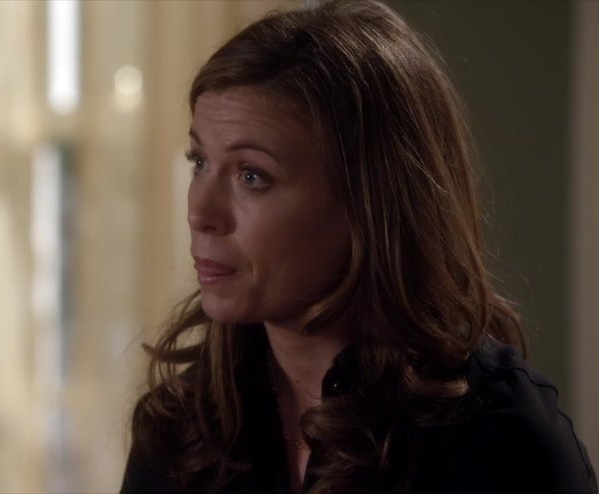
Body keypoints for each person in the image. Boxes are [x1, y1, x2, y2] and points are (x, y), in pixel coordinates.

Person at [121, 1, 597, 493]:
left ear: (371, 203)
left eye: (252, 176)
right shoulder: (180, 429)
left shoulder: (500, 439)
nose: (199, 212)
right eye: (199, 161)